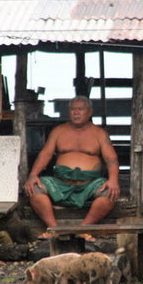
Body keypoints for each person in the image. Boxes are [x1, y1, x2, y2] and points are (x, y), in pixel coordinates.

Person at [23, 95, 120, 240]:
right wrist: (33, 175)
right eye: (73, 109)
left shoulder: (99, 133)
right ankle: (54, 229)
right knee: (35, 188)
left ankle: (83, 229)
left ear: (89, 112)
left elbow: (111, 159)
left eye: (80, 109)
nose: (76, 112)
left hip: (90, 184)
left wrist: (113, 180)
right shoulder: (58, 131)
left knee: (109, 194)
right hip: (60, 183)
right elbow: (45, 154)